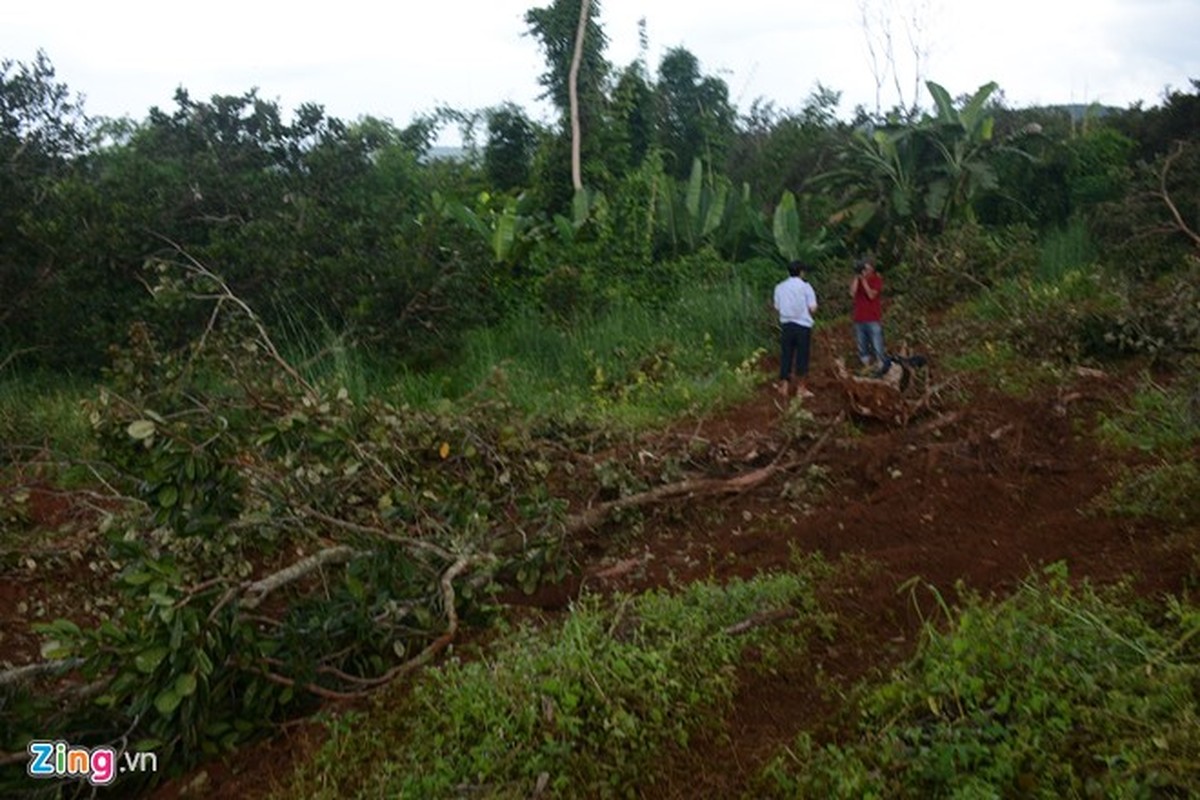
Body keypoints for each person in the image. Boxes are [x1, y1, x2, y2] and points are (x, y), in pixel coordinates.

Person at [773, 260, 818, 399]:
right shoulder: (806, 287)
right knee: (802, 356)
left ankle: (784, 386)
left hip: (787, 325)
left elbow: (777, 307)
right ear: (801, 272)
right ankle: (801, 389)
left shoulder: (780, 287)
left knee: (786, 354)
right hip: (803, 325)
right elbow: (813, 308)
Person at [849, 255, 888, 376]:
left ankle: (881, 366)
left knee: (877, 344)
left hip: (873, 318)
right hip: (859, 318)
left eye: (866, 268)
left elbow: (871, 295)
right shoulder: (859, 280)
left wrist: (864, 281)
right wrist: (857, 277)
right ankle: (866, 367)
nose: (864, 271)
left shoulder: (877, 280)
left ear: (871, 268)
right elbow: (852, 293)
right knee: (862, 346)